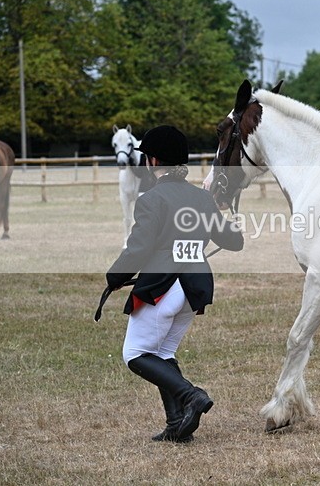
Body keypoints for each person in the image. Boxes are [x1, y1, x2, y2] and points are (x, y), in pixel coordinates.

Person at [106, 125, 244, 443]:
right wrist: (231, 222)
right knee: (163, 352)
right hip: (194, 289)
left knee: (135, 354)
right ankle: (176, 425)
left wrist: (114, 277)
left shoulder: (150, 199)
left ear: (153, 161)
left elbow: (138, 249)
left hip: (164, 288)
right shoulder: (202, 198)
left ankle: (191, 395)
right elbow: (233, 242)